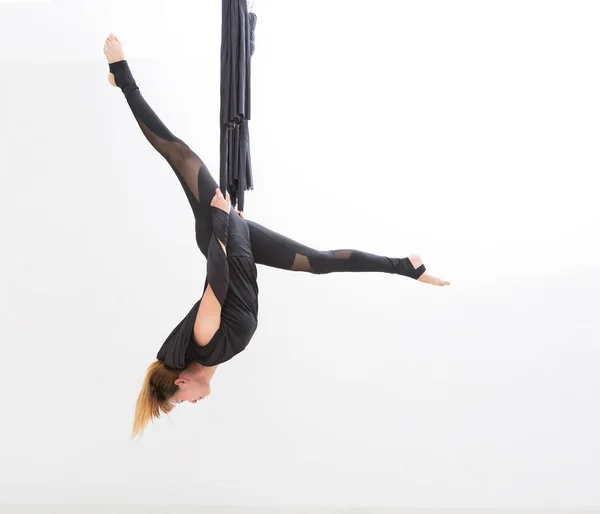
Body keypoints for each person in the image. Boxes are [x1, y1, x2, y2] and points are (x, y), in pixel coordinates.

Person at [102, 34, 450, 438]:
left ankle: (122, 75)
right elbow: (228, 299)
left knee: (179, 154)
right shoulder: (217, 356)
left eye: (182, 402)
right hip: (238, 245)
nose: (193, 403)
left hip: (226, 241)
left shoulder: (203, 341)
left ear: (181, 382)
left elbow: (216, 284)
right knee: (316, 262)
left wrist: (221, 220)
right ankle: (404, 267)